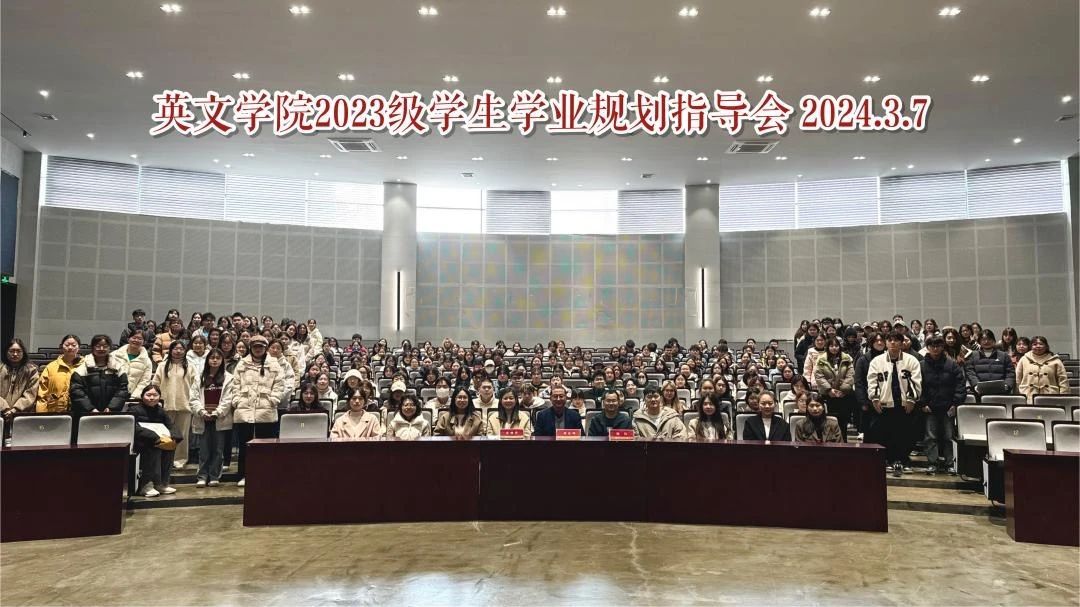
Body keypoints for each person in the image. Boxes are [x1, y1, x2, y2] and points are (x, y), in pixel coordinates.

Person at [226, 335, 285, 487]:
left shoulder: (274, 364)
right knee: (245, 446)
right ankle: (244, 475)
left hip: (266, 411)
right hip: (244, 410)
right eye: (255, 347)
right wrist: (236, 401)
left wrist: (273, 400)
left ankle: (265, 476)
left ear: (265, 348)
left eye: (261, 347)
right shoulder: (242, 364)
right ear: (250, 348)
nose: (258, 349)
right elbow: (235, 385)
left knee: (266, 447)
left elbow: (279, 385)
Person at [867, 330, 923, 476]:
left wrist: (911, 399)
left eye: (896, 340)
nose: (893, 343)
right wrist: (875, 399)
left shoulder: (911, 360)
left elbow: (916, 382)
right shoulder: (876, 361)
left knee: (905, 433)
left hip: (904, 403)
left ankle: (902, 459)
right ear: (886, 343)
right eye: (890, 340)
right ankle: (888, 460)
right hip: (885, 403)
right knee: (885, 433)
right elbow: (872, 382)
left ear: (901, 343)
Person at [917, 336, 966, 475]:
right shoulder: (921, 365)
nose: (935, 349)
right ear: (927, 347)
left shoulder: (952, 364)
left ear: (942, 347)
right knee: (930, 437)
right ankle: (932, 463)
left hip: (948, 407)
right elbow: (917, 386)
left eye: (938, 346)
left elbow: (960, 385)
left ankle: (950, 463)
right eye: (932, 346)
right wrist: (923, 403)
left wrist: (956, 403)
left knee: (949, 437)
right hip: (929, 407)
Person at [69, 335, 130, 438]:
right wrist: (90, 409)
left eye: (105, 346)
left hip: (111, 414)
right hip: (86, 415)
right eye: (98, 346)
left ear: (110, 348)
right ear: (92, 347)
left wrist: (112, 408)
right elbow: (76, 392)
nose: (101, 349)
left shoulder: (118, 367)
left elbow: (123, 390)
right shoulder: (82, 368)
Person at [127, 385, 183, 497]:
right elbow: (133, 427)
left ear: (159, 397)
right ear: (142, 396)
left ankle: (162, 484)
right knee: (154, 449)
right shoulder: (134, 410)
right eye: (148, 395)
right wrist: (153, 436)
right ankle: (146, 485)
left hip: (159, 440)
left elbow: (171, 425)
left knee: (170, 448)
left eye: (155, 395)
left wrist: (175, 437)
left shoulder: (161, 411)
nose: (152, 398)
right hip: (142, 442)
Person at [190, 348, 231, 487]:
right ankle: (202, 476)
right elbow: (193, 398)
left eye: (218, 358)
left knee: (218, 449)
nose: (214, 360)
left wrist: (217, 413)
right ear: (207, 360)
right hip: (203, 418)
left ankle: (214, 476)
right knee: (204, 450)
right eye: (212, 357)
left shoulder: (228, 378)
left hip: (220, 418)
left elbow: (228, 399)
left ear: (222, 361)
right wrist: (202, 412)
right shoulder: (199, 377)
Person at [153, 340, 196, 469]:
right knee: (166, 434)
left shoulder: (190, 366)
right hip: (166, 405)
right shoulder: (162, 366)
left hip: (185, 405)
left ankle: (180, 459)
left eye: (181, 349)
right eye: (175, 348)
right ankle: (165, 458)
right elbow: (155, 384)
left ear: (185, 351)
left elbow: (195, 386)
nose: (178, 351)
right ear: (170, 350)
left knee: (182, 435)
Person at [813, 337, 855, 442]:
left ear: (840, 347)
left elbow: (850, 375)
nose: (834, 348)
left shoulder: (847, 358)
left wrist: (843, 390)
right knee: (829, 421)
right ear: (828, 347)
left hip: (844, 396)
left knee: (843, 422)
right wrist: (829, 389)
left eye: (836, 346)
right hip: (828, 396)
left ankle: (843, 443)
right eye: (831, 346)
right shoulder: (821, 359)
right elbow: (819, 376)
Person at [37, 334, 82, 414]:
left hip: (80, 411)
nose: (70, 347)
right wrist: (41, 415)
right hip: (56, 412)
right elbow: (42, 394)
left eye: (74, 345)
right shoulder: (51, 367)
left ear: (79, 348)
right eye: (67, 345)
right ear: (61, 347)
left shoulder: (85, 366)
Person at [1016, 336, 1070, 403]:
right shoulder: (1024, 359)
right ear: (1031, 346)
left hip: (1051, 397)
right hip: (1028, 397)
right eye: (1035, 344)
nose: (1038, 346)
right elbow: (1018, 379)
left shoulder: (1056, 361)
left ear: (1046, 346)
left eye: (1041, 344)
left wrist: (1063, 398)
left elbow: (1063, 381)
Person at [964, 329, 1015, 395]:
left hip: (1001, 392)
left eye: (989, 339)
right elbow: (970, 372)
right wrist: (975, 385)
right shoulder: (973, 355)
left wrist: (1007, 385)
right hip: (979, 392)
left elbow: (1010, 373)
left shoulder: (1004, 355)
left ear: (994, 340)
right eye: (983, 339)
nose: (986, 342)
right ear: (979, 341)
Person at [1, 338, 40, 420]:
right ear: (6, 352)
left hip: (22, 414)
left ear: (23, 353)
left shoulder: (32, 370)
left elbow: (31, 393)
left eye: (18, 351)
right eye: (12, 351)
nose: (15, 354)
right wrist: (5, 408)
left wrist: (15, 409)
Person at [110, 330, 152, 398]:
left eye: (140, 339)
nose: (136, 340)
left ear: (144, 342)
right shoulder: (114, 355)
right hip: (111, 395)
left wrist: (133, 397)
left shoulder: (147, 361)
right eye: (134, 338)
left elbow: (144, 381)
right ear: (128, 339)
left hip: (131, 397)